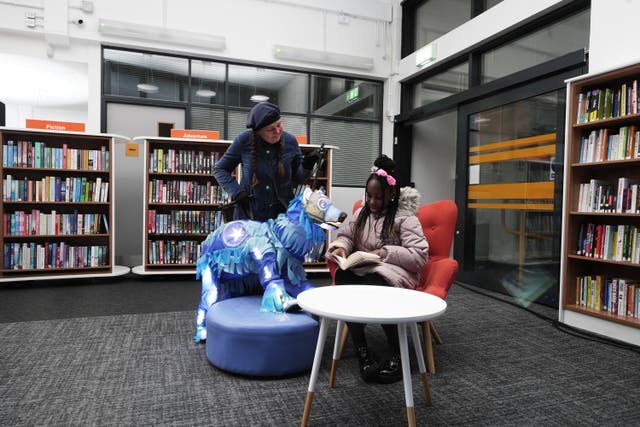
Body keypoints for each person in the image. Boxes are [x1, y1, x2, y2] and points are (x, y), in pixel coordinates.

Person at [326, 155, 428, 384]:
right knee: (343, 278)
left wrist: (384, 253)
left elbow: (419, 257)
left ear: (392, 195)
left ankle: (397, 356)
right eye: (368, 196)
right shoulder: (361, 215)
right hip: (367, 269)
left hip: (395, 273)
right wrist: (340, 249)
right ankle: (363, 352)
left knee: (378, 287)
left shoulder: (406, 219)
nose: (371, 202)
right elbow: (345, 237)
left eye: (378, 197)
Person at [213, 101, 320, 222]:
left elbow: (300, 178)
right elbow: (220, 169)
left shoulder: (290, 141)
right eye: (270, 129)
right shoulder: (244, 140)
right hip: (251, 216)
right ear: (258, 132)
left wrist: (307, 165)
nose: (278, 131)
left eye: (279, 125)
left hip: (283, 218)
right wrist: (237, 192)